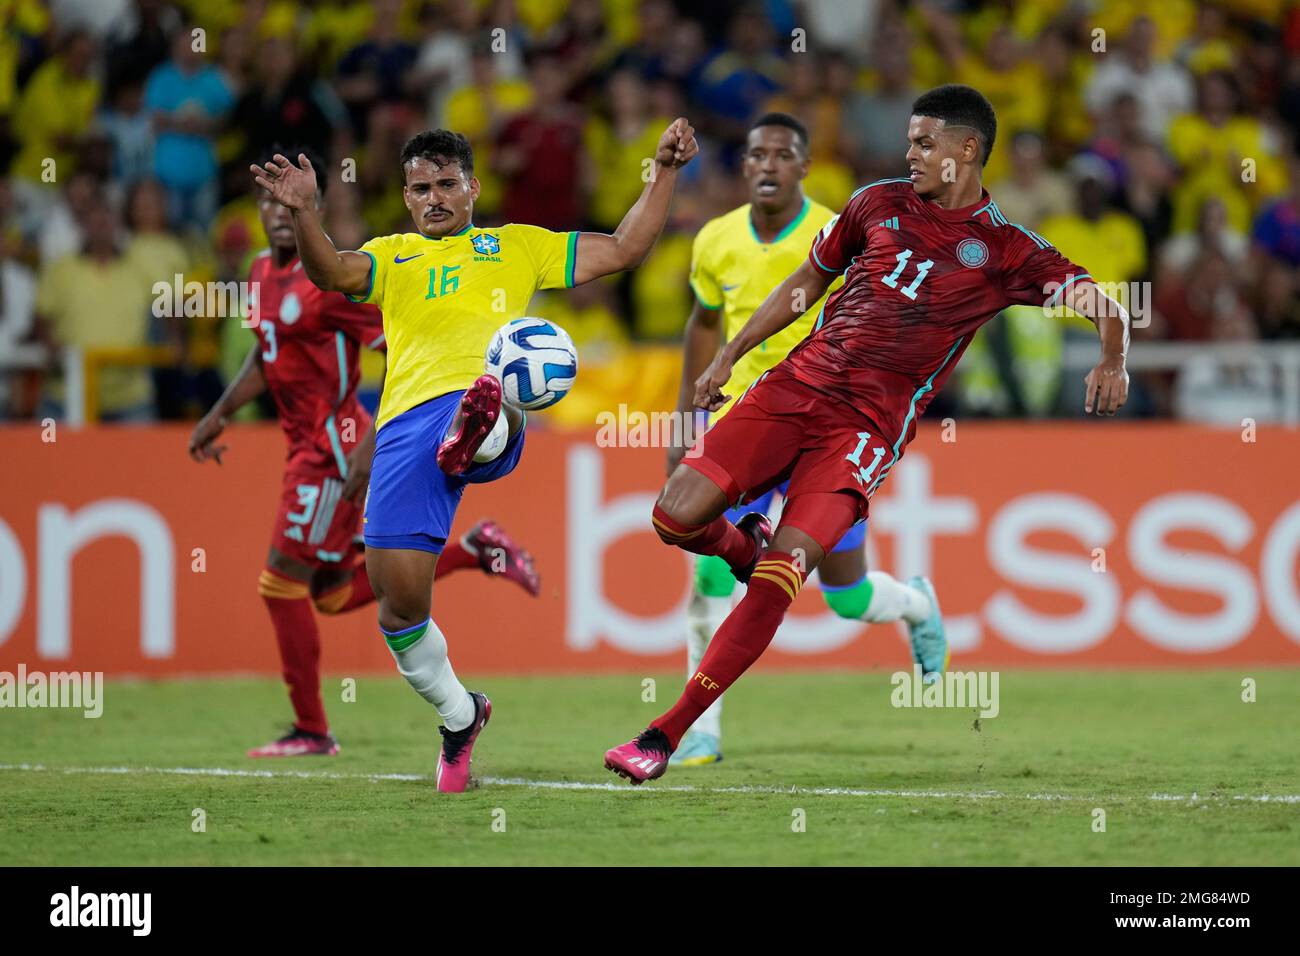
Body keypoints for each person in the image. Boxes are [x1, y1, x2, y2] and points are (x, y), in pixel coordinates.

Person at [606, 84, 1131, 785]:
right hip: (792, 388)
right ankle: (742, 549)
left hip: (863, 431)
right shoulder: (874, 204)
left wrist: (1112, 358)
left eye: (924, 142)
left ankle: (665, 735)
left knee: (786, 579)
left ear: (967, 149)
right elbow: (806, 283)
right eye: (910, 140)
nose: (909, 153)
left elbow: (1105, 304)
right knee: (673, 516)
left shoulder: (1007, 250)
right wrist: (731, 353)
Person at [250, 117, 699, 791]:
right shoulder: (391, 256)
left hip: (487, 400)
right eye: (420, 188)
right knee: (398, 609)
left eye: (446, 185)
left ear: (473, 188)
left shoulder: (516, 246)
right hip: (404, 430)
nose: (433, 198)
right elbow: (332, 271)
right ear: (406, 198)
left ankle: (479, 424)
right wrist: (305, 211)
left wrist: (663, 170)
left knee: (500, 379)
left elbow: (626, 249)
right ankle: (461, 715)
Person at [190, 148, 539, 758]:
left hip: (334, 447)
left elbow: (403, 354)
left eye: (292, 204)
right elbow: (265, 354)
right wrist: (219, 413)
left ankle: (311, 730)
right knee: (328, 592)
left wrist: (371, 445)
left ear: (315, 210)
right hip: (303, 444)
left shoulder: (336, 283)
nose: (279, 213)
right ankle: (473, 550)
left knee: (280, 585)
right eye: (269, 202)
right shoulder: (259, 273)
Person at [668, 112, 943, 768]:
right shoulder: (715, 239)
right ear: (744, 166)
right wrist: (683, 422)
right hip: (749, 423)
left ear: (804, 166)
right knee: (708, 571)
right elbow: (702, 325)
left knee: (847, 596)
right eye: (756, 154)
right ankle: (700, 730)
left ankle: (914, 605)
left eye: (781, 154)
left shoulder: (844, 230)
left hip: (830, 427)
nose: (767, 165)